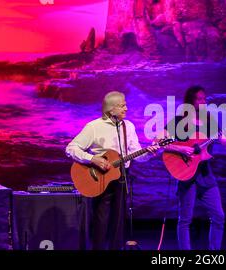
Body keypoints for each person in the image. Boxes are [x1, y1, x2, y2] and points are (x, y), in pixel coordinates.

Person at [65, 91, 159, 250]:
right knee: (101, 219)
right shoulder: (94, 127)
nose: (126, 109)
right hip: (99, 178)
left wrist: (148, 153)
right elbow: (71, 148)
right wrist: (92, 158)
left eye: (126, 105)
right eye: (122, 105)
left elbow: (135, 154)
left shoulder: (127, 126)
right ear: (111, 109)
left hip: (121, 176)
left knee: (119, 219)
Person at [162, 85, 226, 250]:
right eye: (200, 99)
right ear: (190, 101)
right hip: (186, 175)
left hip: (206, 174)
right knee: (185, 219)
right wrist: (181, 148)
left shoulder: (209, 122)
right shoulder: (179, 121)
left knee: (219, 215)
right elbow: (159, 143)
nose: (204, 101)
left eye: (205, 98)